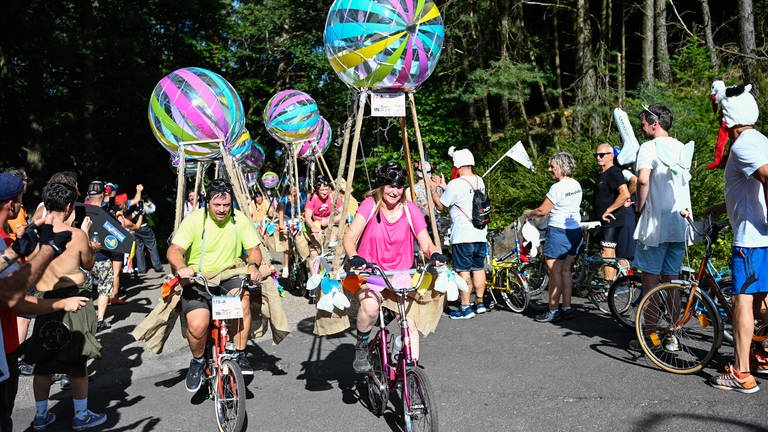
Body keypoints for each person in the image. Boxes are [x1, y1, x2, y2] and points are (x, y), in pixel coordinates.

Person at [344, 162, 445, 373]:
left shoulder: (410, 210)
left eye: (399, 186)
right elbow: (350, 236)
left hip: (400, 276)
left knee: (410, 325)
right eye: (390, 186)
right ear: (381, 186)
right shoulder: (369, 205)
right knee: (370, 307)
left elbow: (425, 241)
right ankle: (362, 346)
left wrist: (434, 253)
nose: (395, 191)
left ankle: (410, 372)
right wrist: (354, 256)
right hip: (370, 273)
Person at [167, 179, 262, 392]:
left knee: (243, 300)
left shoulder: (239, 220)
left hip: (229, 274)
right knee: (198, 324)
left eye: (226, 205)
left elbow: (254, 249)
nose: (221, 210)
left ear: (232, 204)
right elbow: (174, 250)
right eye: (217, 205)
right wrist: (182, 267)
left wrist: (254, 265)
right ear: (207, 203)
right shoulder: (194, 221)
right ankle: (198, 361)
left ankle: (239, 353)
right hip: (198, 277)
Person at [27, 181, 106, 431]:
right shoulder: (76, 234)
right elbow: (88, 263)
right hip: (74, 297)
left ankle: (41, 416)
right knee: (76, 359)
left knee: (43, 361)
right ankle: (81, 416)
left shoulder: (34, 232)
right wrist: (91, 245)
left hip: (45, 298)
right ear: (70, 206)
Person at [706, 83, 768, 393]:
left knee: (742, 301)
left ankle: (742, 373)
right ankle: (759, 353)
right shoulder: (760, 140)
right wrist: (719, 207)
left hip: (751, 239)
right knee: (760, 301)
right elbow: (748, 191)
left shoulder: (743, 145)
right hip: (760, 237)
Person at [633, 104, 692, 335]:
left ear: (654, 124)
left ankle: (649, 334)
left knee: (651, 281)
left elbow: (643, 181)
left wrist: (640, 206)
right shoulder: (681, 147)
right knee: (672, 281)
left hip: (655, 225)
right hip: (679, 223)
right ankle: (673, 334)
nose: (642, 128)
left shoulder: (649, 147)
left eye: (643, 124)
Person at [525, 152, 583, 323]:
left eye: (552, 166)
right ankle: (567, 307)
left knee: (554, 272)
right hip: (574, 231)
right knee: (566, 270)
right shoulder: (576, 185)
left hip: (559, 232)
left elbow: (543, 210)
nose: (550, 169)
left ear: (562, 167)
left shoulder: (557, 188)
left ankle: (552, 310)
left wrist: (529, 213)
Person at [431, 147, 488, 319]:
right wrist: (444, 185)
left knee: (463, 271)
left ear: (457, 164)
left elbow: (442, 206)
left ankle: (465, 306)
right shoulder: (479, 181)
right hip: (480, 233)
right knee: (478, 268)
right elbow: (464, 196)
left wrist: (434, 189)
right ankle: (479, 303)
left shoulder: (456, 184)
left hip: (463, 236)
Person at [591, 143, 630, 281]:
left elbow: (625, 193)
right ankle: (621, 279)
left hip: (612, 220)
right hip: (601, 221)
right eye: (596, 155)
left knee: (608, 252)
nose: (598, 158)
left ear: (611, 156)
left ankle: (610, 287)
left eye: (602, 155)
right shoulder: (602, 173)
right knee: (605, 252)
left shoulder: (614, 172)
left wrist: (610, 209)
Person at [84, 181, 114, 333]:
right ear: (103, 195)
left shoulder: (80, 211)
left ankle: (86, 319)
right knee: (104, 287)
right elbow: (115, 237)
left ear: (89, 194)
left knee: (86, 289)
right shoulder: (107, 214)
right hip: (102, 257)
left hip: (83, 257)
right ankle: (100, 320)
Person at [133, 193, 163, 274]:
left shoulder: (130, 205)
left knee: (139, 248)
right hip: (144, 227)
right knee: (152, 246)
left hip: (135, 228)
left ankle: (141, 269)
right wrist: (149, 201)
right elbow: (152, 209)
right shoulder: (141, 204)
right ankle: (157, 266)